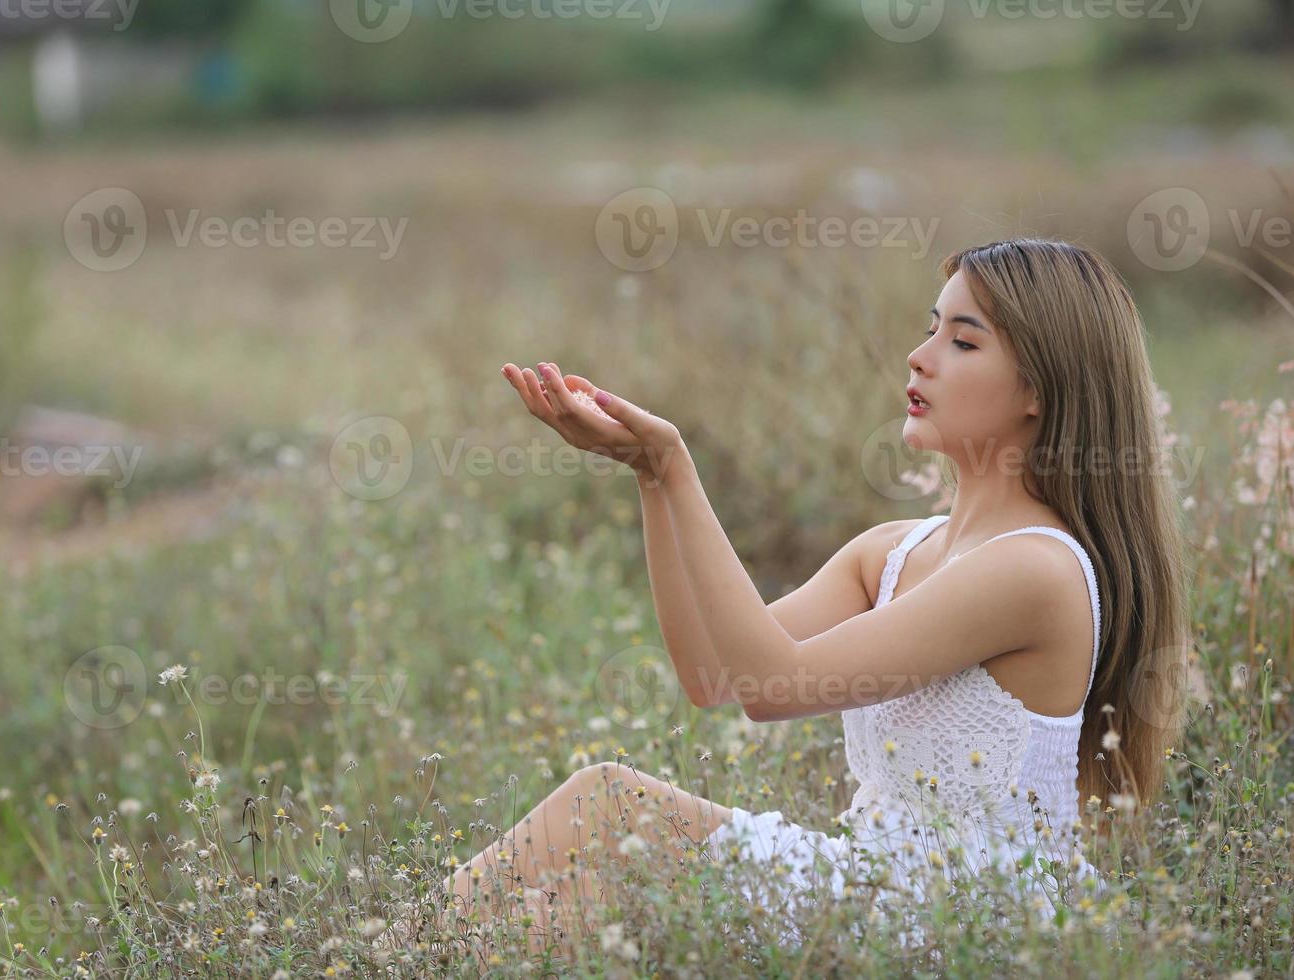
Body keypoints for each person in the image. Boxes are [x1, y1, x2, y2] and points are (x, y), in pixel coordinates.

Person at [403, 238, 1192, 955]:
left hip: (974, 921)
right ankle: (399, 959)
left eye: (962, 341)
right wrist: (649, 478)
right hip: (877, 890)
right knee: (553, 918)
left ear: (1039, 392)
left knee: (609, 803)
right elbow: (709, 674)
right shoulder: (893, 552)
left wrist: (677, 463)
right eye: (930, 329)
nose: (920, 358)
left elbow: (771, 689)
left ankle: (385, 958)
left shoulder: (1035, 570)